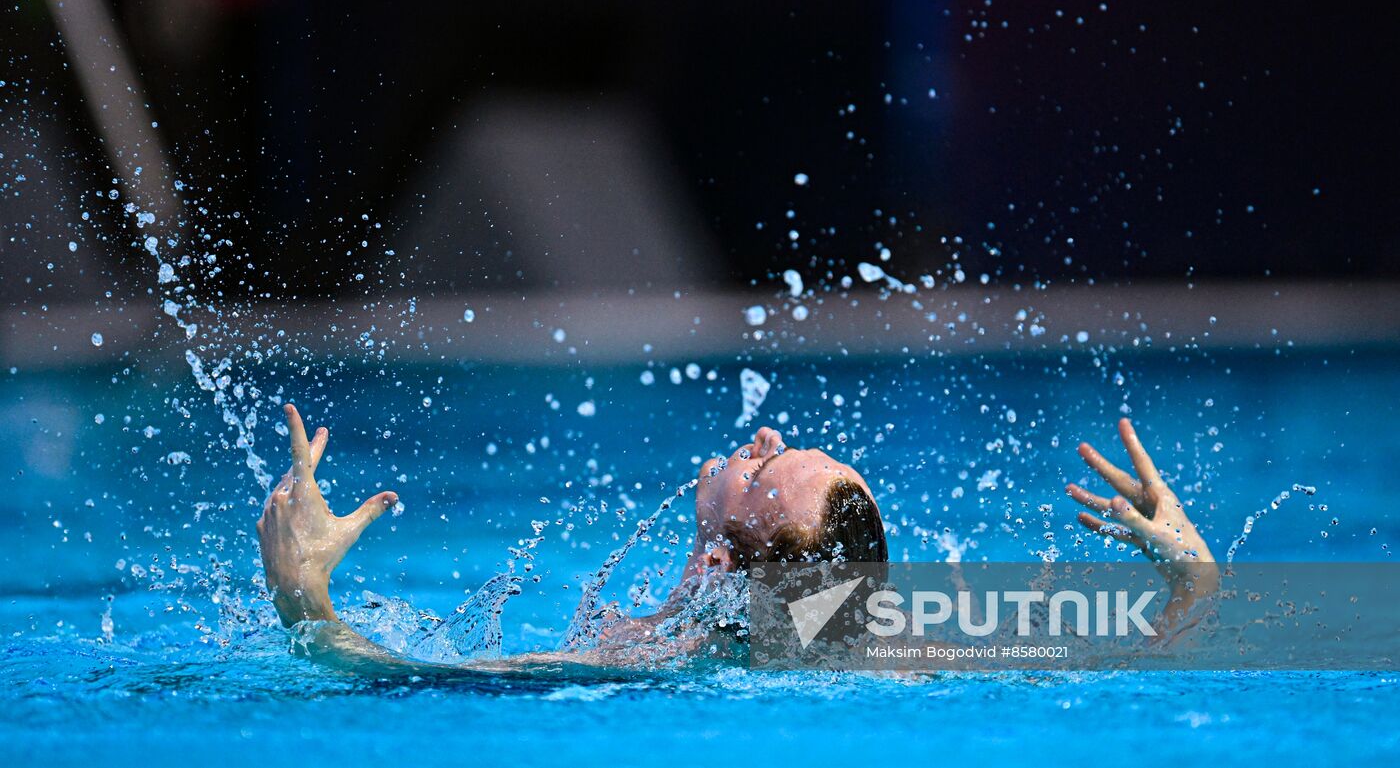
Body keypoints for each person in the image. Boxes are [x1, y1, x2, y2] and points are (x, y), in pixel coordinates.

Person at [256, 404, 1215, 673]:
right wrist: (1196, 580)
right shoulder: (905, 652)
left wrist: (305, 598)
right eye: (783, 445)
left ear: (718, 562)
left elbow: (405, 678)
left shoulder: (648, 658)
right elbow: (1139, 664)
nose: (761, 439)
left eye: (765, 470)